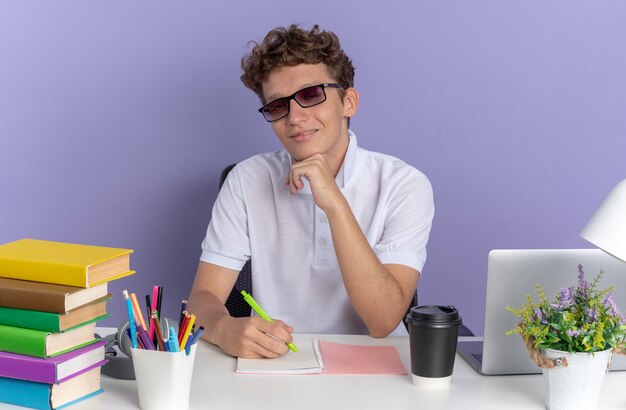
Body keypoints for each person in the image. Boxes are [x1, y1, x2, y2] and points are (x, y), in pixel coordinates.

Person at [187, 24, 434, 359]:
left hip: (380, 368)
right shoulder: (246, 179)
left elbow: (383, 321)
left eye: (310, 95)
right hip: (279, 361)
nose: (295, 117)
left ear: (349, 102)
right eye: (277, 106)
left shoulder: (405, 184)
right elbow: (202, 298)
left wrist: (335, 204)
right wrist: (223, 328)